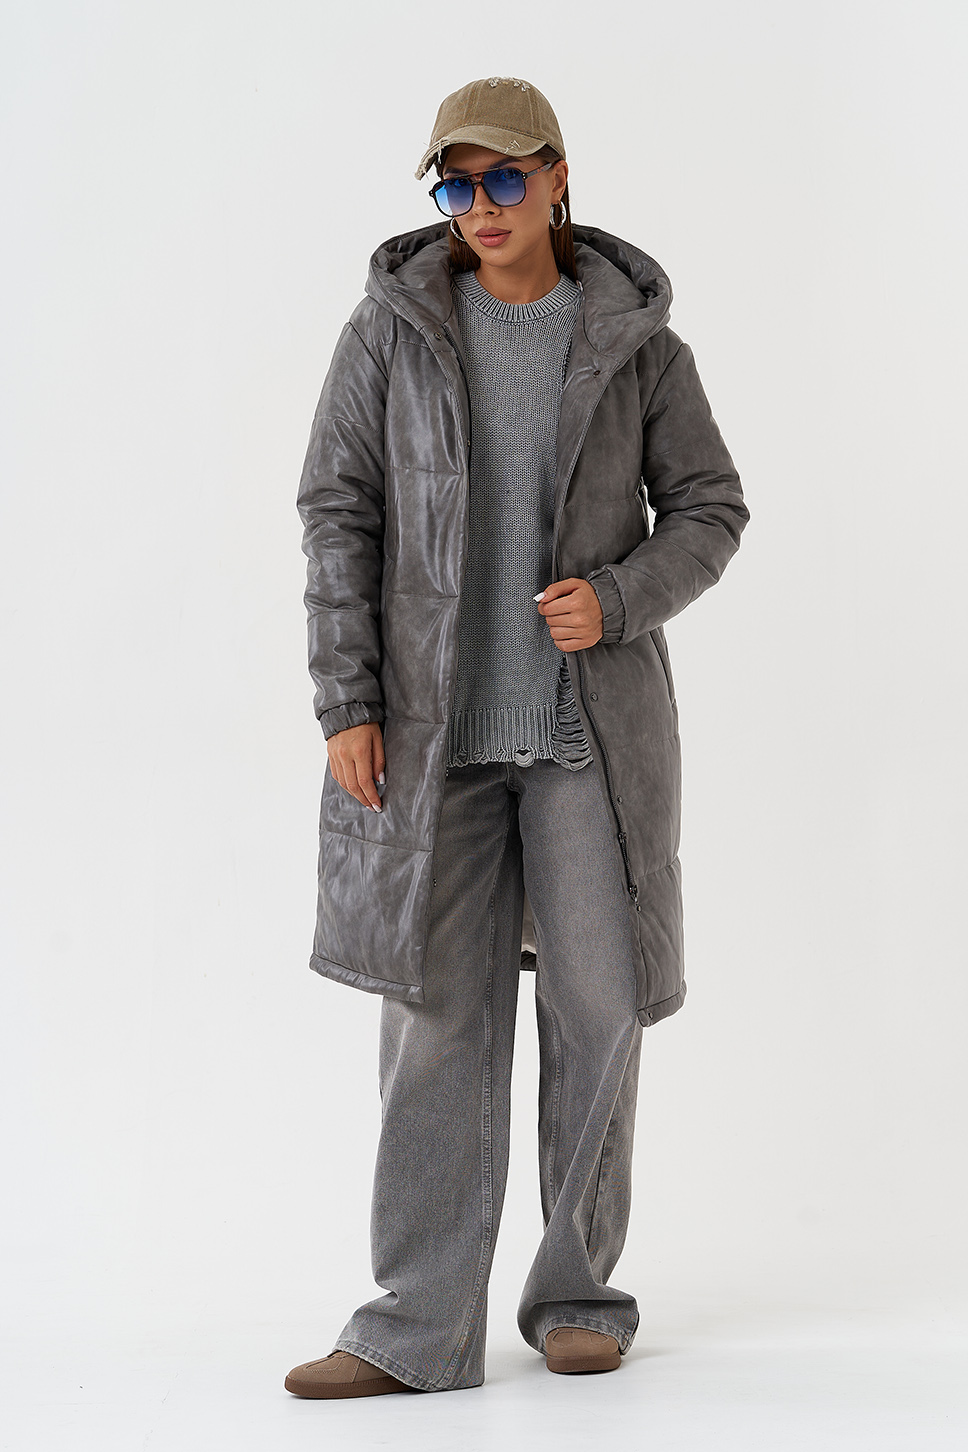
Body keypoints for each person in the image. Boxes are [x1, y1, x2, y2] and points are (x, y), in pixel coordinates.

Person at [285, 75, 750, 1399]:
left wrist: (617, 599)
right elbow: (337, 512)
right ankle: (416, 1324)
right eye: (457, 183)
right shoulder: (387, 333)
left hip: (586, 738)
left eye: (504, 179)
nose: (481, 206)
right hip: (430, 741)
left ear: (557, 176)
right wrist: (347, 702)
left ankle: (579, 1294)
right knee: (434, 1024)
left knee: (600, 1009)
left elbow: (710, 508)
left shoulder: (639, 345)